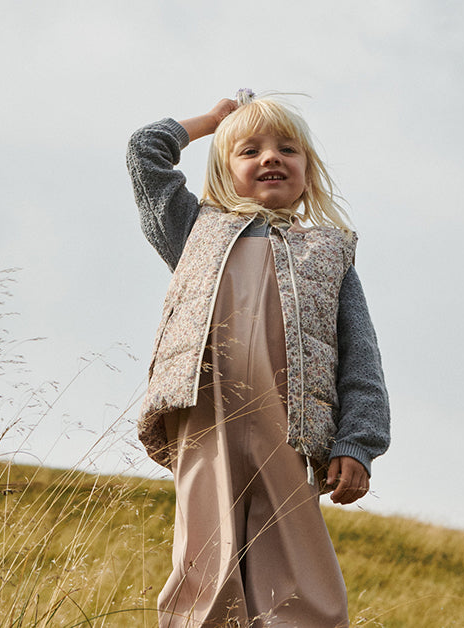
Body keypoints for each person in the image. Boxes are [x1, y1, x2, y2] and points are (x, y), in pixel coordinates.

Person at [127, 89, 391, 627]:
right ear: (224, 174)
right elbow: (144, 151)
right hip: (206, 419)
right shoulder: (193, 230)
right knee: (206, 562)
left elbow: (361, 358)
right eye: (249, 151)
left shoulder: (330, 252)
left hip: (290, 428)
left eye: (286, 149)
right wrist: (210, 121)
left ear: (308, 171)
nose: (270, 157)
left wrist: (358, 443)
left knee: (299, 573)